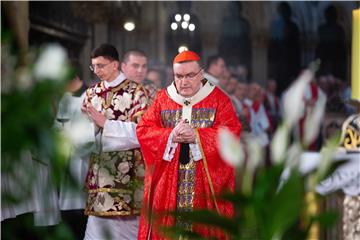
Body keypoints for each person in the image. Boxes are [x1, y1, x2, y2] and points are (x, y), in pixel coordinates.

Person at [136, 50, 241, 239]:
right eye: (178, 76)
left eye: (190, 75)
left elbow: (232, 133)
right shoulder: (163, 99)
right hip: (169, 180)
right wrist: (169, 135)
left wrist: (198, 136)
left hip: (203, 183)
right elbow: (144, 130)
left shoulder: (218, 99)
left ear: (201, 74)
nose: (183, 82)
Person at [81, 44, 150, 239]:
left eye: (101, 65)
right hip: (99, 178)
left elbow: (143, 133)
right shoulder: (91, 94)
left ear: (115, 65)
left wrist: (106, 124)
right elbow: (81, 135)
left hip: (128, 180)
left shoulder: (137, 93)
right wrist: (92, 130)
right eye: (93, 66)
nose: (96, 71)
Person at [55, 59, 93, 239]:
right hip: (67, 159)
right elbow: (58, 125)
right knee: (68, 210)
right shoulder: (65, 97)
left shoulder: (90, 96)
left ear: (75, 78)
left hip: (84, 158)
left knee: (82, 210)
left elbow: (94, 130)